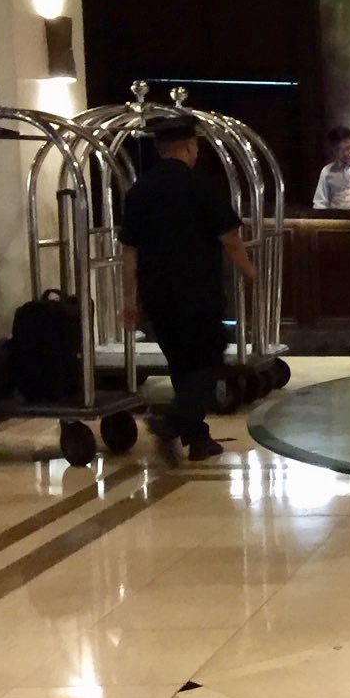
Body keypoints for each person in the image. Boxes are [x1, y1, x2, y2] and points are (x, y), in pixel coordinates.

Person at [119, 112, 255, 462]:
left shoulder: (138, 192)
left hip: (157, 296)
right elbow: (230, 237)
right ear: (190, 147)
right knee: (209, 361)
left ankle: (198, 439)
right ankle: (172, 421)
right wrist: (249, 271)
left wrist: (129, 300)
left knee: (182, 365)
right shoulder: (201, 186)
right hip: (198, 293)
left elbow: (130, 253)